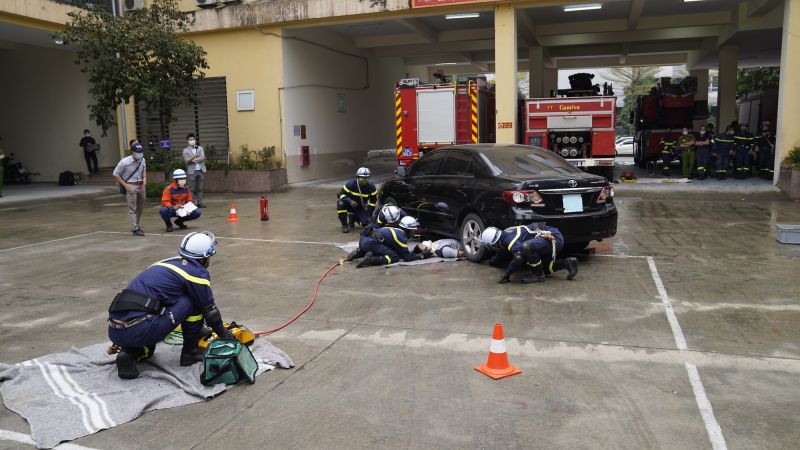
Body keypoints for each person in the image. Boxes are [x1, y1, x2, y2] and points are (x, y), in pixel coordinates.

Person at [107, 231, 236, 379]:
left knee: (148, 348)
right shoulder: (196, 273)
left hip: (115, 331)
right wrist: (225, 336)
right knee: (193, 300)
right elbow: (210, 310)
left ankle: (129, 355)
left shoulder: (164, 263)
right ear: (205, 257)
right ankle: (190, 352)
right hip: (143, 329)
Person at [480, 223, 578, 284]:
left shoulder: (510, 241)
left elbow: (518, 258)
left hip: (553, 238)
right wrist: (491, 262)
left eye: (491, 247)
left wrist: (507, 274)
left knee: (526, 247)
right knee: (546, 269)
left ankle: (538, 276)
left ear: (495, 244)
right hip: (549, 241)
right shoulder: (505, 234)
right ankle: (568, 263)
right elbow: (502, 253)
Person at [348, 216, 426, 267]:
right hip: (370, 243)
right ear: (408, 229)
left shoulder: (396, 230)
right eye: (414, 230)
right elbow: (406, 257)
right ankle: (371, 260)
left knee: (386, 249)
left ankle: (360, 252)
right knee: (394, 257)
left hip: (363, 240)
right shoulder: (401, 237)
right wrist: (420, 256)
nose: (414, 232)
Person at [113, 142, 147, 236]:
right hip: (130, 185)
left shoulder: (142, 160)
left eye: (141, 152)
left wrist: (144, 178)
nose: (140, 154)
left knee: (140, 207)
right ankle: (135, 228)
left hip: (141, 185)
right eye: (138, 152)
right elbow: (115, 174)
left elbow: (144, 169)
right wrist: (125, 185)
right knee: (132, 208)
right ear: (132, 152)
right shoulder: (124, 162)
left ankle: (137, 224)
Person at [337, 167, 377, 233]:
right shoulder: (351, 184)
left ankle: (353, 217)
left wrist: (368, 215)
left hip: (360, 206)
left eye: (366, 178)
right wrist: (350, 201)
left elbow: (372, 203)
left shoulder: (371, 187)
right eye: (362, 177)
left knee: (366, 224)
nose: (364, 179)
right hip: (349, 205)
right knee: (341, 204)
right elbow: (340, 194)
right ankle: (344, 225)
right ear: (357, 177)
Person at [182, 134, 206, 208]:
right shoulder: (185, 150)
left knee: (200, 188)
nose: (192, 141)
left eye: (193, 139)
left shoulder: (200, 148)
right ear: (187, 141)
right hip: (192, 172)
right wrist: (193, 156)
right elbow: (186, 161)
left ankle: (200, 202)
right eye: (190, 139)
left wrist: (194, 160)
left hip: (201, 170)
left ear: (195, 140)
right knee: (192, 189)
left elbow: (203, 157)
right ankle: (193, 203)